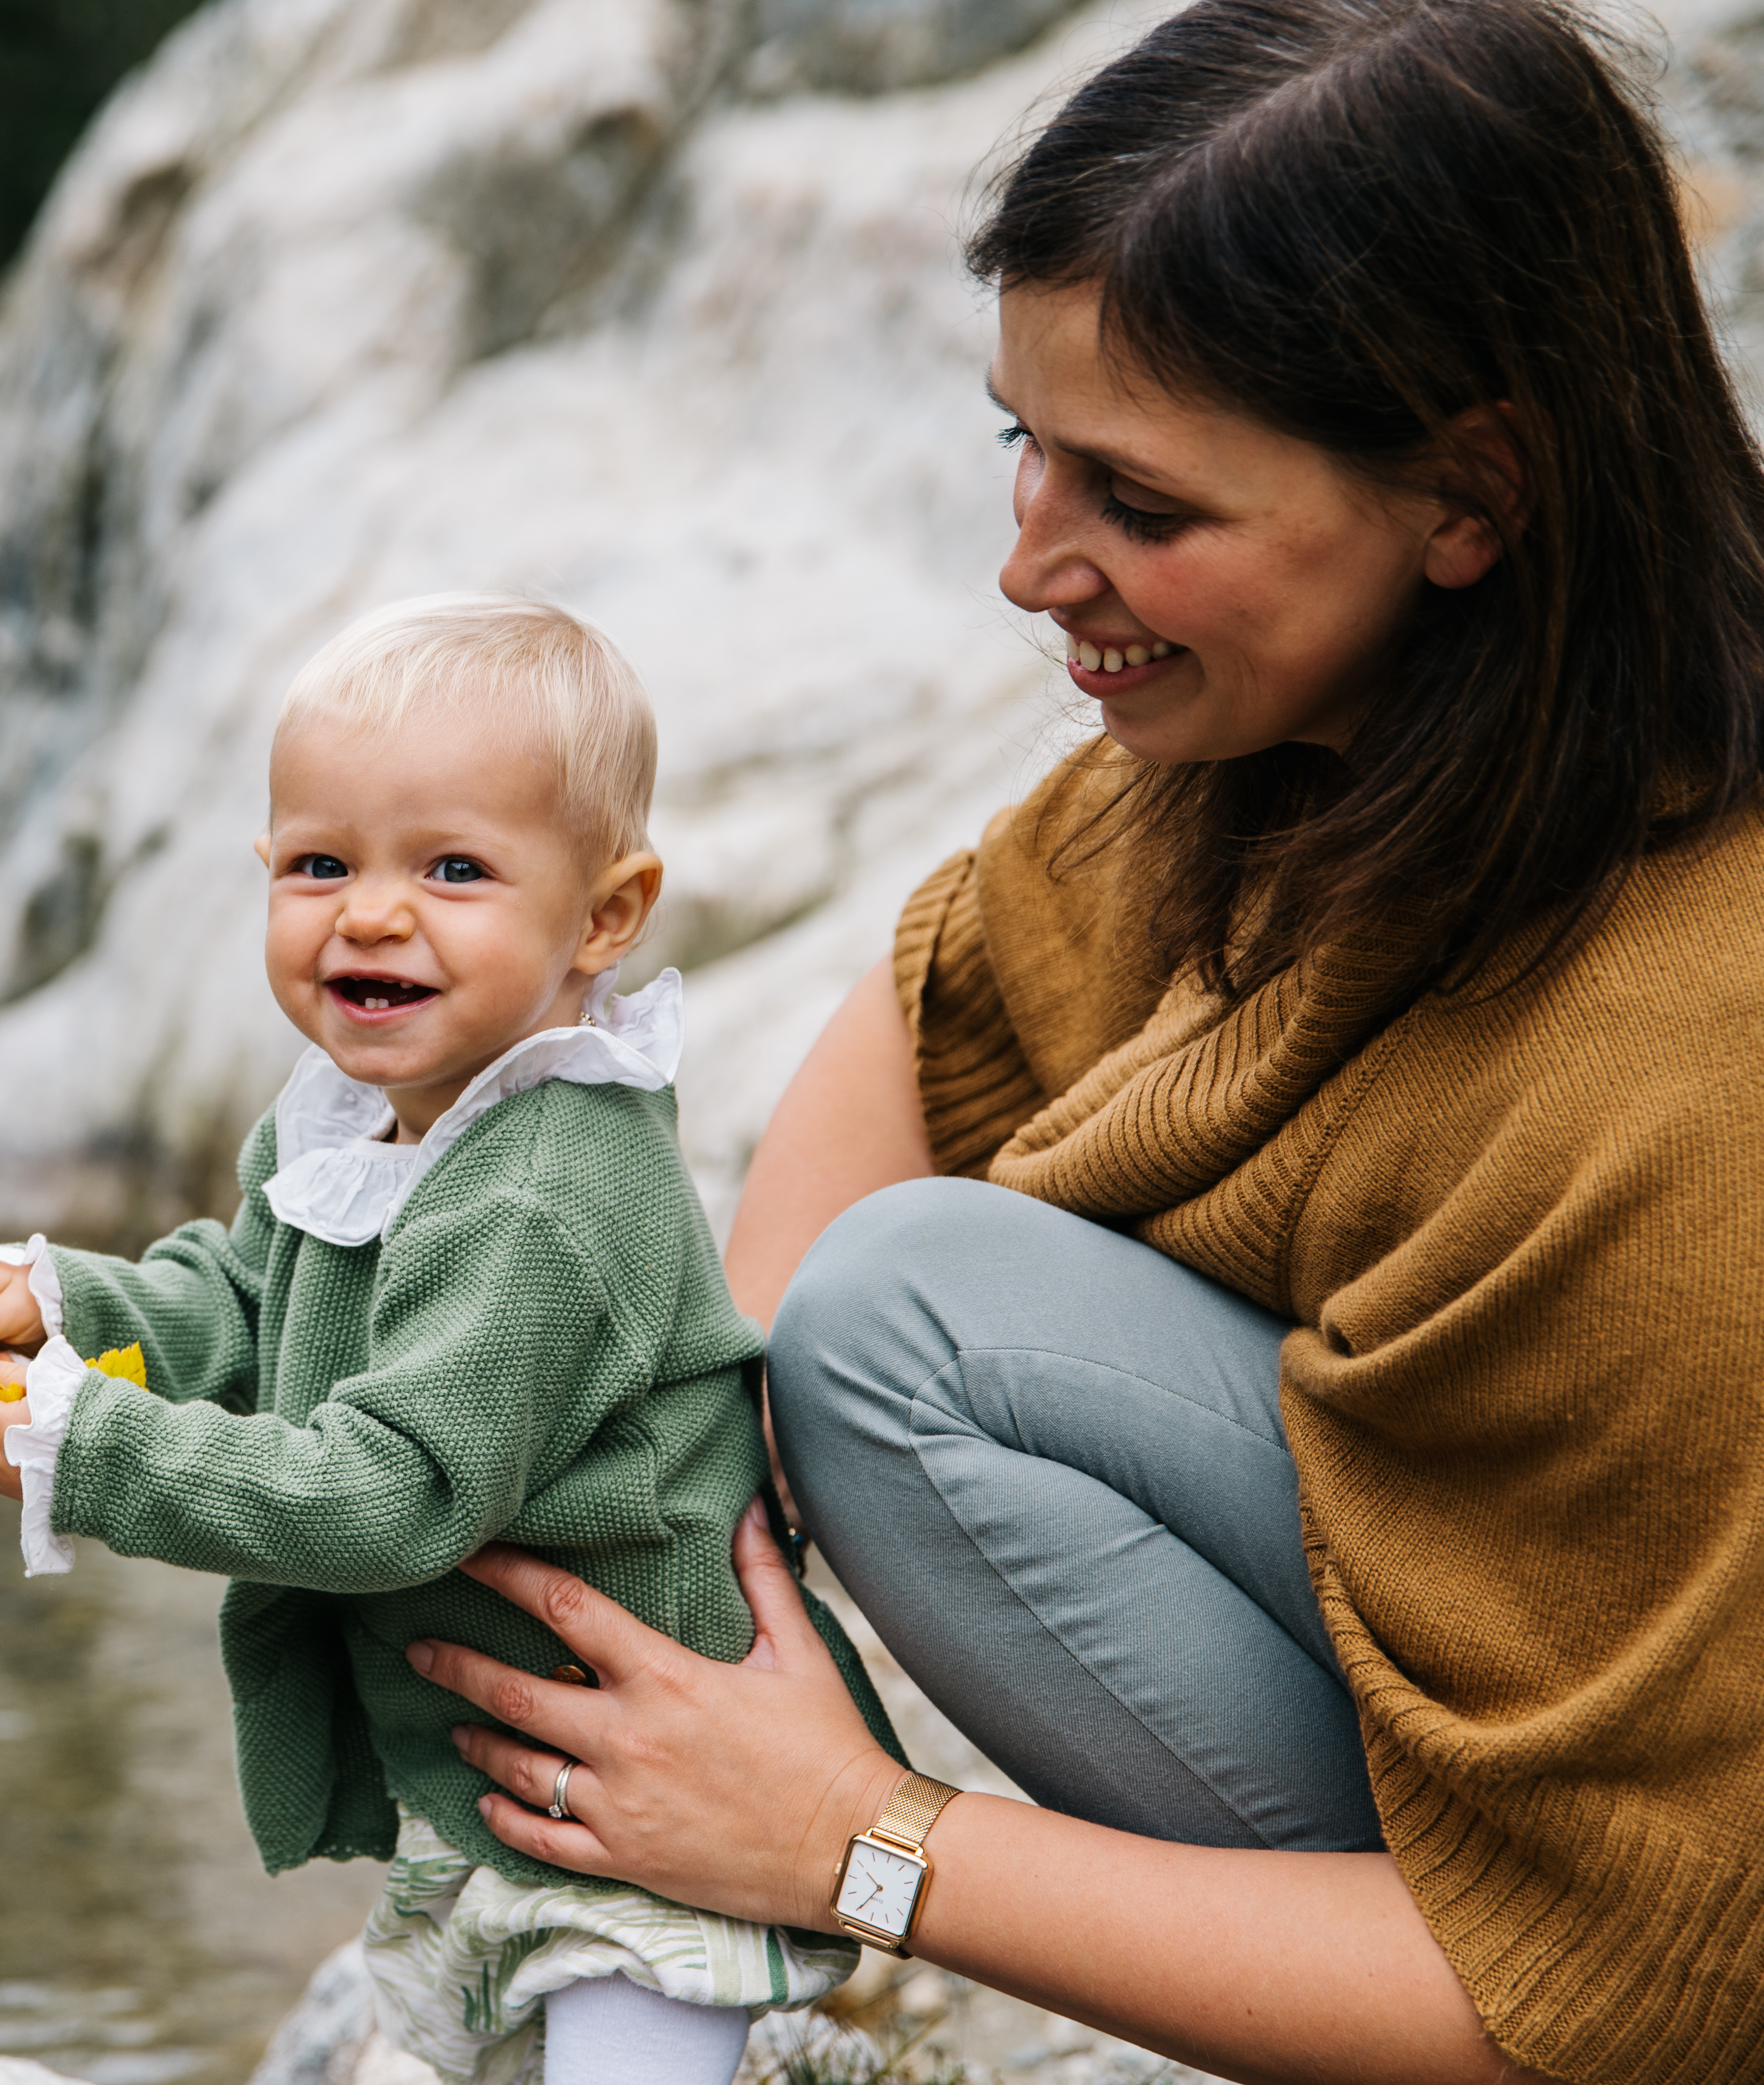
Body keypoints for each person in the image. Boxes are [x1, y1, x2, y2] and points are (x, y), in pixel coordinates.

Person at [394, 3, 1764, 2082]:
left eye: (1133, 494)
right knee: (847, 1333)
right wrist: (696, 1527)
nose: (1032, 562)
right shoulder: (1336, 745)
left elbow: (1630, 2002)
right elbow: (949, 1004)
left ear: (1470, 491)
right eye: (1016, 443)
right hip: (1486, 1751)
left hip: (1636, 1981)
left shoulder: (1690, 1080)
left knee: (894, 1321)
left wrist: (852, 1844)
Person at [0, 594, 903, 2085]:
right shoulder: (355, 1123)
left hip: (651, 1818)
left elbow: (389, 1494)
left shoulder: (547, 1193)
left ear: (604, 916)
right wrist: (77, 1309)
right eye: (320, 864)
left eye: (453, 869)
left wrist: (100, 1450)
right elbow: (254, 1304)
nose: (370, 913)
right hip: (500, 1794)